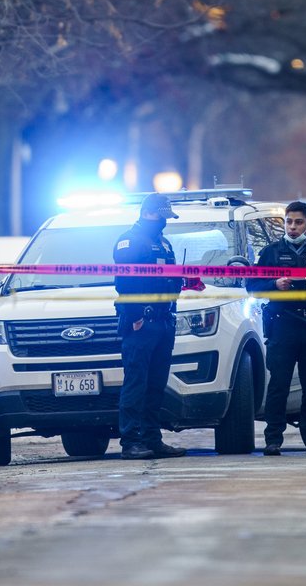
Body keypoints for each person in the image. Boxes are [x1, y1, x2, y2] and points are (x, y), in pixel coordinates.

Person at [247, 201, 306, 456]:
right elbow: (252, 286)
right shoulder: (271, 253)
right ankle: (273, 439)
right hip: (282, 326)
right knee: (279, 385)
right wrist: (274, 284)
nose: (292, 227)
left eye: (298, 222)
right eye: (289, 222)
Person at [112, 193, 188, 460]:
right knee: (136, 383)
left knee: (156, 385)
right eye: (163, 216)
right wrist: (135, 317)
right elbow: (125, 284)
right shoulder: (130, 241)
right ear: (149, 213)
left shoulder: (163, 244)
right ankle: (131, 441)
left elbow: (166, 279)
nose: (165, 222)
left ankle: (152, 439)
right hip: (140, 323)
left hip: (163, 320)